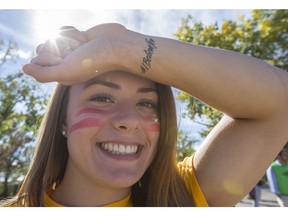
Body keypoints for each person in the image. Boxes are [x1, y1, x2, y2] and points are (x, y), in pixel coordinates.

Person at [1, 23, 288, 207]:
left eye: (147, 104)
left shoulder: (182, 199)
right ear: (63, 120)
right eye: (102, 98)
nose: (130, 120)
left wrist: (124, 45)